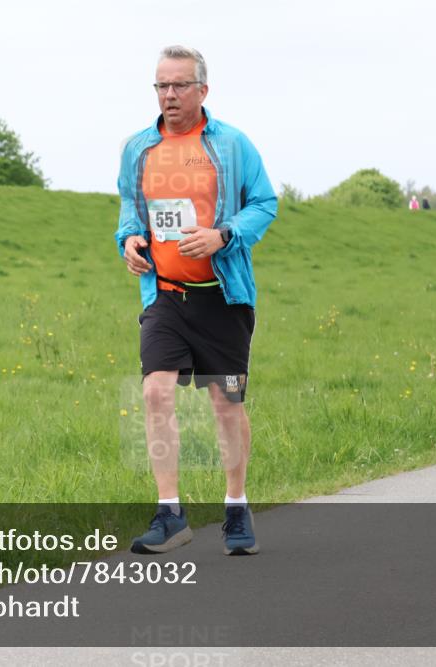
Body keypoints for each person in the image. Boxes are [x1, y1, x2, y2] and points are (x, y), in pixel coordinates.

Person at [115, 45, 277, 556]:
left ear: (202, 90)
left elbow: (265, 203)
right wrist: (130, 242)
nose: (169, 95)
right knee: (156, 393)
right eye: (161, 85)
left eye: (179, 85)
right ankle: (170, 514)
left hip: (222, 301)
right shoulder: (139, 148)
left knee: (226, 402)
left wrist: (223, 235)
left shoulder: (230, 145)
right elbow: (129, 209)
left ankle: (236, 508)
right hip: (166, 299)